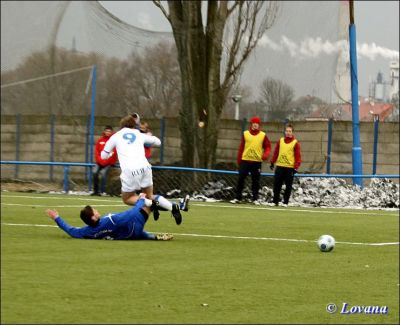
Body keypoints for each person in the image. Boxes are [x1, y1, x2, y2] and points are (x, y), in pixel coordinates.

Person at [101, 115, 189, 225]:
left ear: (121, 126)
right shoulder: (139, 134)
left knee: (127, 198)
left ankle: (154, 204)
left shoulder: (115, 136)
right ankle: (172, 207)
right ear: (134, 126)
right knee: (149, 195)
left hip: (130, 170)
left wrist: (111, 153)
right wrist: (147, 137)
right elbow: (158, 142)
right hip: (145, 167)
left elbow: (103, 156)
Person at [45, 194, 173, 241]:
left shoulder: (88, 231)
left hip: (129, 234)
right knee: (152, 199)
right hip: (135, 225)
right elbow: (131, 214)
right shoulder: (110, 220)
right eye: (94, 211)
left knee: (132, 231)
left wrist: (57, 218)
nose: (97, 210)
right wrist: (141, 199)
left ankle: (154, 237)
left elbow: (71, 231)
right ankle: (176, 208)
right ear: (93, 218)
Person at [230, 116, 271, 205]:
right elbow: (241, 148)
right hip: (245, 160)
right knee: (241, 179)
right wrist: (239, 160)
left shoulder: (262, 135)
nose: (255, 125)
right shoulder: (245, 134)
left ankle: (255, 199)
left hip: (256, 162)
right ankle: (238, 198)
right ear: (251, 124)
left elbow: (268, 146)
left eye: (257, 124)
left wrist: (265, 155)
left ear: (259, 125)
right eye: (254, 123)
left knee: (255, 181)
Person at [270, 123, 302, 206]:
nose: (288, 132)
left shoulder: (295, 143)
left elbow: (298, 156)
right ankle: (275, 201)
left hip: (289, 168)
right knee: (277, 185)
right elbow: (276, 152)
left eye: (290, 131)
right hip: (280, 166)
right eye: (287, 131)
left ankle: (285, 202)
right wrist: (272, 162)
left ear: (292, 132)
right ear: (284, 132)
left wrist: (296, 167)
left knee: (288, 186)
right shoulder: (280, 141)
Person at [91, 125, 118, 196]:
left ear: (112, 132)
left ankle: (104, 191)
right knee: (94, 172)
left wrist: (106, 161)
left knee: (103, 174)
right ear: (104, 131)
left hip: (109, 163)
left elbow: (114, 153)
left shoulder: (113, 141)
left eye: (109, 131)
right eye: (107, 131)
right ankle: (96, 191)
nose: (108, 132)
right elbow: (97, 152)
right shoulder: (100, 140)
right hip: (100, 162)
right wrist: (100, 160)